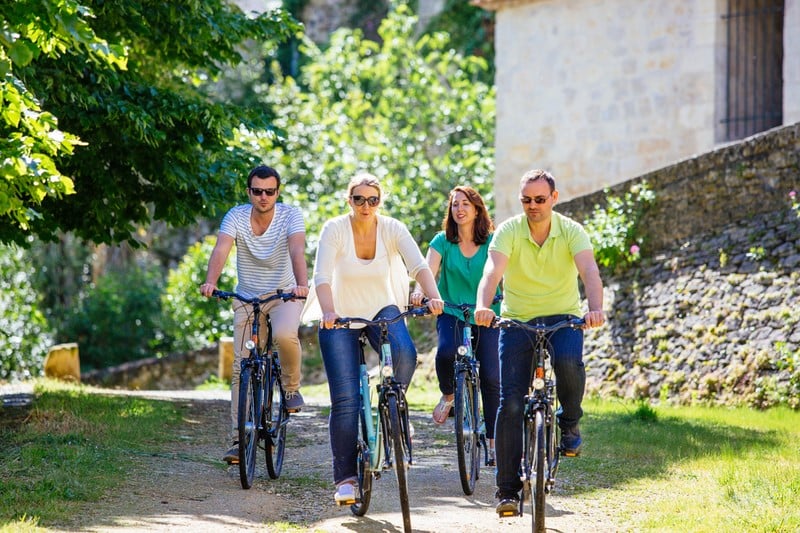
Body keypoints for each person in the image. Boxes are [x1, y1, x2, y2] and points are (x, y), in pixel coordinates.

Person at [473, 169, 605, 516]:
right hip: (517, 320)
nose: (533, 206)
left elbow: (589, 271)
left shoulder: (571, 231)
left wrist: (595, 309)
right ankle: (507, 491)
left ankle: (570, 420)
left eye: (540, 200)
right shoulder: (509, 231)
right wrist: (484, 306)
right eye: (526, 200)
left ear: (554, 198)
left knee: (568, 364)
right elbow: (492, 272)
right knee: (511, 403)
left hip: (563, 317)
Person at [310, 172, 444, 505]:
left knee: (405, 352)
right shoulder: (335, 229)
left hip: (382, 308)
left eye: (372, 199)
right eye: (359, 199)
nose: (366, 205)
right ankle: (345, 479)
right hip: (340, 315)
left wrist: (434, 295)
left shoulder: (393, 229)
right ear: (349, 200)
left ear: (379, 202)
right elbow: (322, 276)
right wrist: (328, 312)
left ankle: (396, 412)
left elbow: (418, 266)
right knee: (345, 402)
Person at [200, 165, 310, 464]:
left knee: (286, 334)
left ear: (278, 192)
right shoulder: (235, 216)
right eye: (258, 191)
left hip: (285, 294)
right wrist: (211, 281)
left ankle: (289, 389)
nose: (264, 197)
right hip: (247, 298)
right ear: (249, 191)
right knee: (241, 367)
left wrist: (302, 285)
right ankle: (238, 440)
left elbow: (297, 250)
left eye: (270, 192)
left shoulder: (290, 215)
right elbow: (222, 249)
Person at [410, 186, 502, 464]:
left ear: (477, 209)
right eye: (455, 205)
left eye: (465, 204)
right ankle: (449, 395)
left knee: (491, 376)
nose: (459, 209)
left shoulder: (493, 241)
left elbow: (502, 270)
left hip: (486, 313)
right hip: (450, 310)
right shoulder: (442, 241)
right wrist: (420, 292)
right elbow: (426, 271)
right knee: (446, 352)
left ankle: (494, 442)